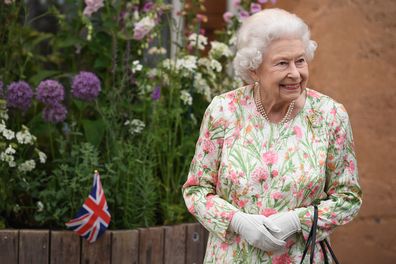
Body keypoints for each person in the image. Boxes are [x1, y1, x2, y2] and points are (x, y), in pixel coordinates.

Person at [182, 8, 362, 263]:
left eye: (300, 61)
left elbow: (348, 198)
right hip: (233, 256)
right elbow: (197, 190)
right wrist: (237, 221)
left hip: (301, 257)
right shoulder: (224, 111)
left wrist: (297, 220)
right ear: (254, 69)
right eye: (282, 63)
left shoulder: (329, 115)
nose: (295, 73)